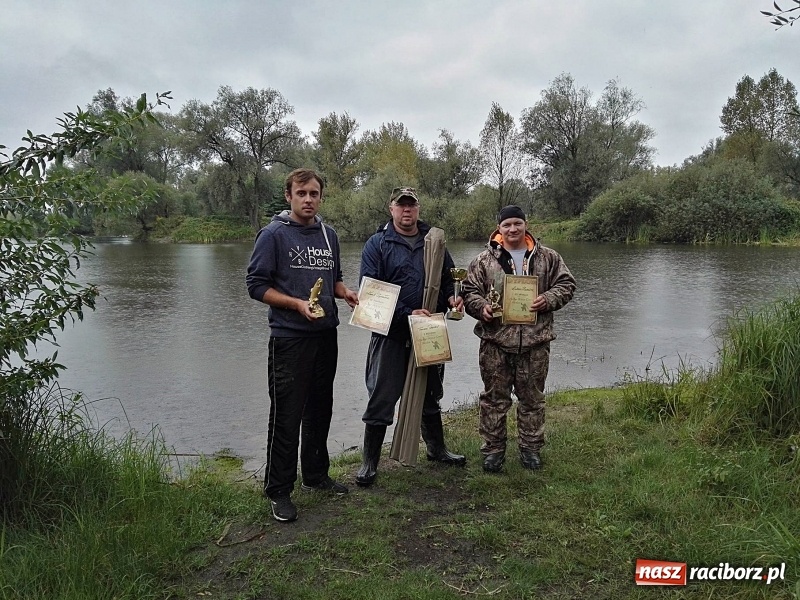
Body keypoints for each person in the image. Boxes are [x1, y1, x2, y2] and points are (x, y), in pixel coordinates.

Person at [246, 168, 359, 523]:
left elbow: (333, 279)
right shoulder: (273, 235)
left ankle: (315, 475)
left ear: (321, 197)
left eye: (314, 193)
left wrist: (345, 292)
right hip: (289, 338)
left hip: (326, 334)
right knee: (287, 414)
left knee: (320, 408)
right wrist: (296, 304)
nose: (308, 199)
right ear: (289, 196)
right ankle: (279, 490)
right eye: (301, 193)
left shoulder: (329, 235)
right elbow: (255, 286)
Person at [355, 186, 466, 487]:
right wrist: (407, 314)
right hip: (391, 335)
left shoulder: (435, 241)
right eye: (401, 205)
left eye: (412, 205)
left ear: (418, 208)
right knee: (381, 398)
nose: (407, 210)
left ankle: (437, 449)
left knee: (430, 394)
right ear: (391, 208)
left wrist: (453, 298)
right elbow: (370, 292)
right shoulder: (377, 244)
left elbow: (450, 280)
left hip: (429, 330)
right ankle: (369, 462)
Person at [461, 205, 576, 473]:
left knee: (532, 400)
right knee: (494, 400)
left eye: (517, 223)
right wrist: (481, 307)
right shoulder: (483, 261)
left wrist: (547, 299)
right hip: (495, 343)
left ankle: (530, 449)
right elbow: (468, 292)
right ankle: (493, 451)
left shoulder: (548, 257)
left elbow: (567, 285)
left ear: (525, 225)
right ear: (499, 229)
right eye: (507, 225)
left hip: (535, 343)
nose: (512, 229)